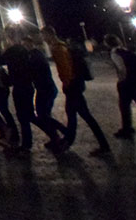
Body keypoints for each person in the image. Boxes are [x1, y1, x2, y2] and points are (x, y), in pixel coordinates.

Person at [44, 27, 110, 157]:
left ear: (48, 35)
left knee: (85, 116)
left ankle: (103, 145)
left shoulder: (58, 48)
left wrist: (67, 84)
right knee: (73, 115)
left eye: (43, 35)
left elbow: (66, 69)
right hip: (75, 86)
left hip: (72, 87)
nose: (43, 39)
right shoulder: (63, 45)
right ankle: (67, 142)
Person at [0, 34, 62, 154]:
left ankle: (29, 144)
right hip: (28, 87)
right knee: (29, 117)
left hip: (20, 88)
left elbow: (0, 60)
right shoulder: (24, 52)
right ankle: (53, 136)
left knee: (26, 117)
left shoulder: (14, 51)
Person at [25, 34, 69, 153]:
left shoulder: (34, 56)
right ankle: (55, 138)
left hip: (45, 89)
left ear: (30, 44)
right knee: (44, 115)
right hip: (45, 88)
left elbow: (33, 72)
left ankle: (65, 132)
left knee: (43, 115)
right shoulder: (37, 54)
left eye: (25, 44)